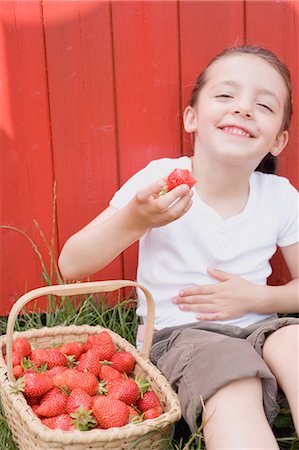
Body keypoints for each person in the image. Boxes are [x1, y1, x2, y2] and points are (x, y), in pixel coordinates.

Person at [58, 45, 299, 449]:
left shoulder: (279, 196)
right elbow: (71, 263)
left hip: (260, 326)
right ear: (192, 118)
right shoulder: (158, 180)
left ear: (279, 140)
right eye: (226, 96)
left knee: (295, 344)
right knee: (232, 380)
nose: (242, 108)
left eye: (263, 104)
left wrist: (258, 296)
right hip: (181, 335)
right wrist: (134, 221)